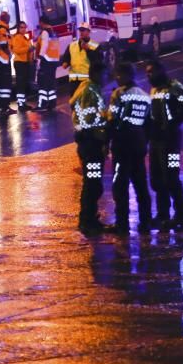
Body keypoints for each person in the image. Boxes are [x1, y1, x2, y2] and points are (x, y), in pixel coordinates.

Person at [146, 60, 183, 231]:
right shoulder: (154, 90)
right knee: (157, 179)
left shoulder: (174, 87)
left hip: (171, 142)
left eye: (151, 72)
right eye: (147, 72)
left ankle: (181, 216)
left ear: (160, 71)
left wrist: (172, 124)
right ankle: (162, 214)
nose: (148, 76)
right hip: (156, 141)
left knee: (171, 178)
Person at [108, 62, 152, 235]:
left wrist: (108, 142)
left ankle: (122, 224)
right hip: (139, 144)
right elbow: (149, 122)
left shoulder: (119, 94)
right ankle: (145, 222)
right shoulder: (144, 95)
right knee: (141, 185)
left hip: (122, 144)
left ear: (124, 76)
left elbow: (112, 119)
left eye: (118, 75)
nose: (116, 79)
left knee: (120, 185)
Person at [70, 63, 109, 235]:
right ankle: (87, 220)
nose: (108, 77)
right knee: (92, 184)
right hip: (91, 144)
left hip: (88, 142)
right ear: (98, 73)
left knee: (92, 183)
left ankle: (89, 218)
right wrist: (105, 130)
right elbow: (90, 121)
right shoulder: (91, 92)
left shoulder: (87, 88)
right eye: (106, 73)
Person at [33, 16, 61, 110]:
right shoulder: (54, 32)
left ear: (42, 22)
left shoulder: (45, 32)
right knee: (51, 83)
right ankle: (52, 104)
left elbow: (44, 46)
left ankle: (42, 104)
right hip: (54, 61)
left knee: (43, 84)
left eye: (40, 23)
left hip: (46, 60)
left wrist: (40, 58)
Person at [61, 22, 99, 87]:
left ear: (88, 32)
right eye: (80, 30)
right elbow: (66, 59)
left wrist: (88, 50)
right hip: (74, 81)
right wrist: (65, 63)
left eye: (83, 30)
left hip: (87, 81)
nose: (81, 32)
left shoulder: (95, 45)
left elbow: (98, 62)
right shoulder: (71, 45)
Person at [10, 21, 34, 111]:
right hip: (20, 62)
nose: (23, 29)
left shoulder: (24, 38)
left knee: (23, 84)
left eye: (24, 27)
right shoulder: (17, 37)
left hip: (24, 62)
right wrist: (29, 48)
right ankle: (21, 104)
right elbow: (17, 50)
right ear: (18, 28)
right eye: (21, 27)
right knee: (20, 84)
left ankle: (23, 102)